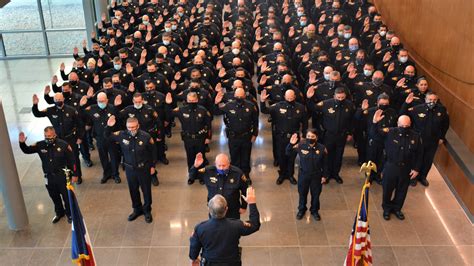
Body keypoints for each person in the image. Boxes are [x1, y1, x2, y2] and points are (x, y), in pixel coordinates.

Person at [18, 127, 77, 224]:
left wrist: (74, 174)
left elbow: (72, 160)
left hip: (61, 176)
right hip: (49, 177)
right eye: (45, 136)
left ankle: (69, 214)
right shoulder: (40, 145)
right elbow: (27, 150)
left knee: (66, 196)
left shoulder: (63, 145)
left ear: (54, 135)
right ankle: (59, 213)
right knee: (54, 196)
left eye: (49, 136)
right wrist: (22, 143)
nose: (47, 138)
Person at [189, 187, 260, 266]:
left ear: (209, 209)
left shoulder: (200, 228)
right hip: (232, 263)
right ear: (226, 209)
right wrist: (252, 203)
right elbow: (255, 224)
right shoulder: (237, 225)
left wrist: (194, 258)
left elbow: (194, 247)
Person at [105, 116, 157, 223]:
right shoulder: (121, 135)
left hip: (143, 168)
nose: (131, 129)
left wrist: (152, 167)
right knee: (133, 190)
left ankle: (147, 210)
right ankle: (137, 209)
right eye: (129, 127)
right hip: (130, 169)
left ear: (138, 126)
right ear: (126, 127)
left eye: (134, 127)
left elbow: (153, 152)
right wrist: (108, 127)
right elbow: (107, 137)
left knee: (146, 190)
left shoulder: (145, 136)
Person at [373, 113, 423, 221]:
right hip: (391, 166)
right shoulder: (390, 132)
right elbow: (375, 135)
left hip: (406, 168)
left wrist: (416, 169)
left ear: (410, 124)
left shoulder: (415, 136)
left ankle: (397, 208)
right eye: (402, 126)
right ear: (397, 124)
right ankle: (386, 208)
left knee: (402, 190)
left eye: (407, 126)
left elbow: (419, 154)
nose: (404, 128)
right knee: (387, 189)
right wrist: (375, 123)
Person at [32, 92, 85, 184]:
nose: (58, 101)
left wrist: (80, 137)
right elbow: (37, 114)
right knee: (60, 159)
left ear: (63, 99)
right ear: (54, 100)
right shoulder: (50, 110)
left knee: (74, 158)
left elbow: (80, 124)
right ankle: (65, 176)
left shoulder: (71, 110)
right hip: (57, 140)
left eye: (60, 100)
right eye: (56, 100)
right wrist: (35, 105)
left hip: (70, 139)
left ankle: (77, 176)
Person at [400, 92, 449, 187]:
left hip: (432, 141)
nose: (432, 102)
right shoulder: (417, 109)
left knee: (428, 160)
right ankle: (412, 178)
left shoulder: (441, 110)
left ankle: (423, 177)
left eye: (434, 100)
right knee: (416, 159)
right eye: (430, 100)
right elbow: (403, 115)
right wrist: (406, 103)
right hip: (418, 140)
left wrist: (442, 137)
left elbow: (445, 125)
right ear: (426, 99)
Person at [260, 89, 308, 185]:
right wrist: (262, 101)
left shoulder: (301, 108)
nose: (289, 99)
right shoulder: (278, 106)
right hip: (281, 137)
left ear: (294, 96)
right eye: (288, 97)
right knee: (281, 157)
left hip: (294, 137)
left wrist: (303, 135)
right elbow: (264, 110)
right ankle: (282, 175)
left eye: (291, 97)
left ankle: (290, 175)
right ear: (285, 97)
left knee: (292, 157)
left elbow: (305, 123)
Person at [165, 92, 212, 183]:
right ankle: (192, 176)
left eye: (193, 101)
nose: (191, 102)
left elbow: (208, 125)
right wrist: (168, 104)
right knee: (190, 157)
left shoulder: (203, 110)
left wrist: (208, 137)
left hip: (200, 138)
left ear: (197, 100)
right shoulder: (181, 110)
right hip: (188, 138)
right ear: (186, 100)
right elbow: (169, 114)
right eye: (190, 100)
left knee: (200, 157)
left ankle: (201, 176)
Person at [215, 88, 259, 182]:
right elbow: (216, 112)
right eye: (237, 96)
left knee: (246, 157)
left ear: (244, 96)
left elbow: (255, 121)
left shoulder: (251, 106)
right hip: (233, 137)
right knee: (234, 157)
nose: (239, 98)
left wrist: (255, 134)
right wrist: (216, 103)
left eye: (241, 96)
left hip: (246, 136)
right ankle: (234, 175)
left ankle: (245, 175)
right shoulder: (228, 105)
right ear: (234, 96)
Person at [190, 153, 248, 219]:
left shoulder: (237, 174)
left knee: (233, 228)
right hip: (214, 210)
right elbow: (192, 176)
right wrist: (195, 166)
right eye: (219, 165)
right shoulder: (208, 171)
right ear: (215, 164)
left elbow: (245, 190)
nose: (221, 168)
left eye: (224, 165)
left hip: (232, 210)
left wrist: (244, 206)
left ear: (229, 163)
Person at [287, 129, 328, 221]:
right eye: (308, 136)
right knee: (302, 193)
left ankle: (314, 211)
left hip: (316, 175)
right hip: (303, 175)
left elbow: (325, 164)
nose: (310, 138)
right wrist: (291, 144)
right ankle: (301, 210)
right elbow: (288, 153)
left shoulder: (322, 148)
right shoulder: (301, 145)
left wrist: (324, 176)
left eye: (312, 137)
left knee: (316, 195)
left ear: (316, 138)